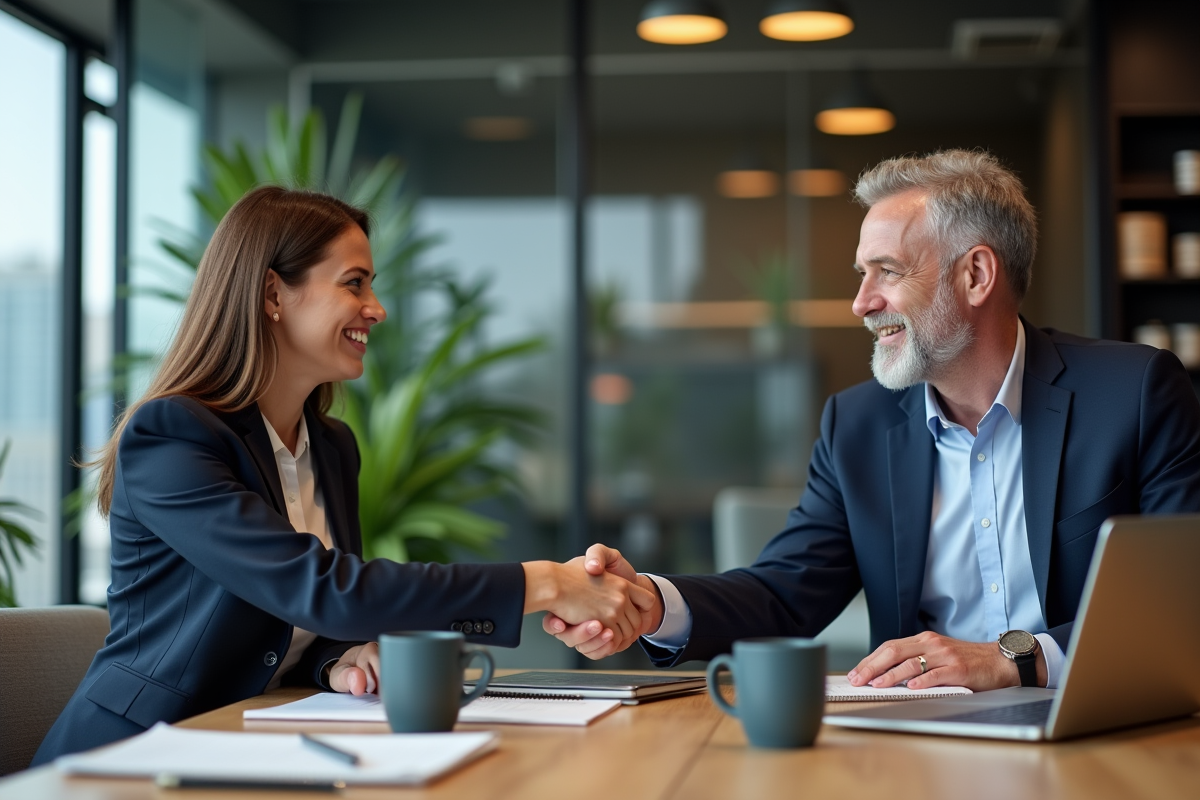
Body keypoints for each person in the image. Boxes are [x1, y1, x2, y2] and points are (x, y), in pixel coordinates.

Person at [33, 186, 654, 764]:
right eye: (354, 284)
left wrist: (338, 659)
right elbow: (321, 588)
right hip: (134, 757)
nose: (376, 309)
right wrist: (545, 583)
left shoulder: (331, 447)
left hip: (260, 743)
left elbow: (298, 623)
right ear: (272, 295)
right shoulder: (173, 435)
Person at [544, 149, 1200, 692]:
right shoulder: (855, 424)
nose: (861, 303)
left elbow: (1180, 600)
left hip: (1099, 729)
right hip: (919, 745)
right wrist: (652, 604)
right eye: (862, 274)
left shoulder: (1134, 393)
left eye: (887, 271)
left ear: (976, 275)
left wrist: (1011, 659)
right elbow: (784, 593)